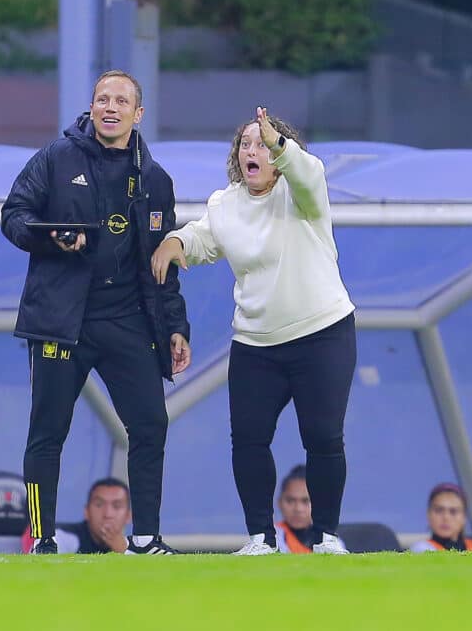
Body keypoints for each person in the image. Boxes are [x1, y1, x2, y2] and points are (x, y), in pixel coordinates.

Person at [1, 70, 191, 556]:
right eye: (103, 98)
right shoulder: (55, 158)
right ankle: (41, 539)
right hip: (63, 321)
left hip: (128, 319)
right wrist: (51, 236)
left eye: (121, 101)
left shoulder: (155, 178)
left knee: (150, 424)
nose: (111, 107)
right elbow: (14, 215)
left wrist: (176, 327)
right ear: (91, 107)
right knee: (48, 430)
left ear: (137, 113)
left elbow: (165, 264)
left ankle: (146, 537)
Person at [152, 107, 357, 556]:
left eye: (262, 144)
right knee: (247, 437)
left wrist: (281, 145)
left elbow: (307, 172)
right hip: (256, 344)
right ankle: (262, 537)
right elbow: (205, 238)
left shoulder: (302, 192)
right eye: (246, 144)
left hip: (322, 333)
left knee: (322, 436)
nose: (253, 151)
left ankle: (324, 536)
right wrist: (175, 242)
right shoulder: (225, 204)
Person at [47, 478, 132, 554]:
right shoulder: (60, 538)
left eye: (117, 506)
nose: (107, 514)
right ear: (86, 512)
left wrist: (124, 552)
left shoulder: (134, 547)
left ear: (128, 516)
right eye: (99, 505)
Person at [409, 483, 472, 553]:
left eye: (453, 511)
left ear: (464, 518)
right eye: (439, 510)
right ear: (428, 515)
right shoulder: (420, 550)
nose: (446, 517)